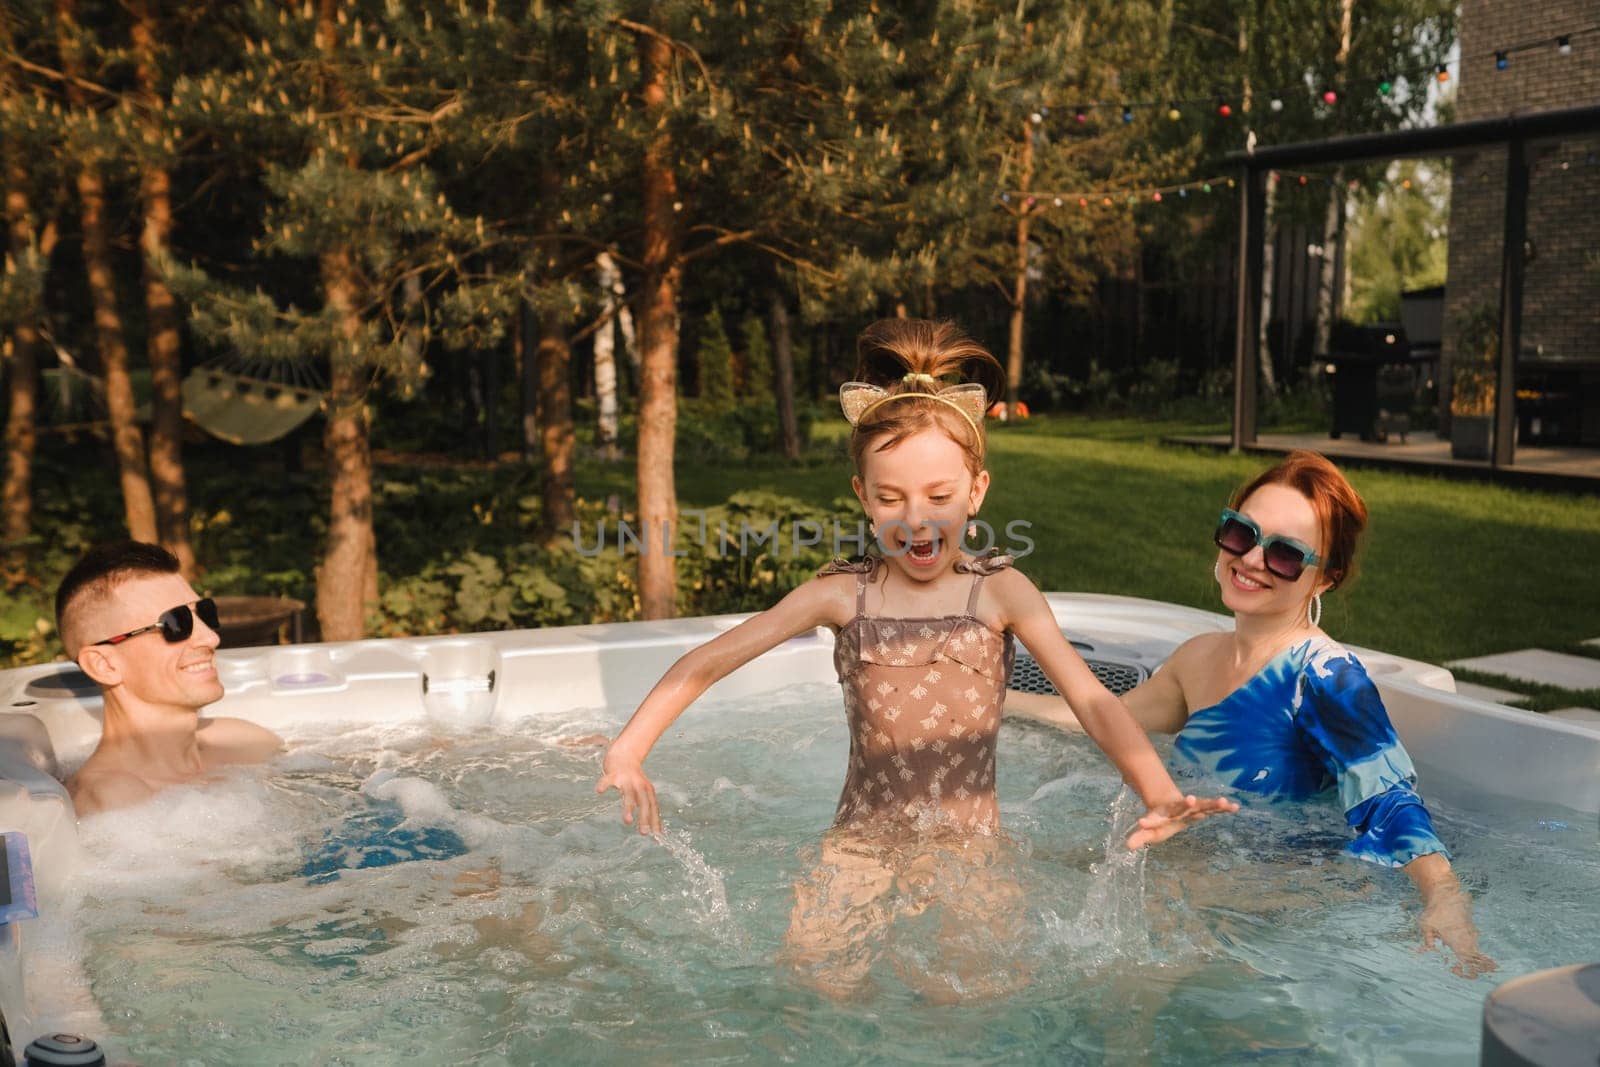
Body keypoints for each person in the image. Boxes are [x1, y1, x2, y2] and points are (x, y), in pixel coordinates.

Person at [596, 319, 1235, 991]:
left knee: (973, 1000)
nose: (917, 519)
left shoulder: (1002, 593)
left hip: (971, 849)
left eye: (940, 496)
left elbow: (1095, 701)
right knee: (813, 988)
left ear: (977, 490)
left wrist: (1158, 791)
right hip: (859, 846)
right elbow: (710, 660)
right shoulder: (844, 594)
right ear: (862, 498)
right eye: (891, 497)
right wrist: (629, 748)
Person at [1008, 450, 1496, 978]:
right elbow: (1103, 718)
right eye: (1242, 534)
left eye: (1286, 555)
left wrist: (1445, 900)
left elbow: (1391, 801)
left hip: (1285, 896)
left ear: (1325, 578)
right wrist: (989, 702)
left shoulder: (1327, 675)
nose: (1252, 560)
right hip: (1203, 867)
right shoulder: (1198, 658)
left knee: (1126, 962)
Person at [55, 541, 283, 817]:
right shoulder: (110, 804)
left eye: (206, 614)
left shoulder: (245, 742)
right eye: (177, 623)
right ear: (104, 665)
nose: (211, 638)